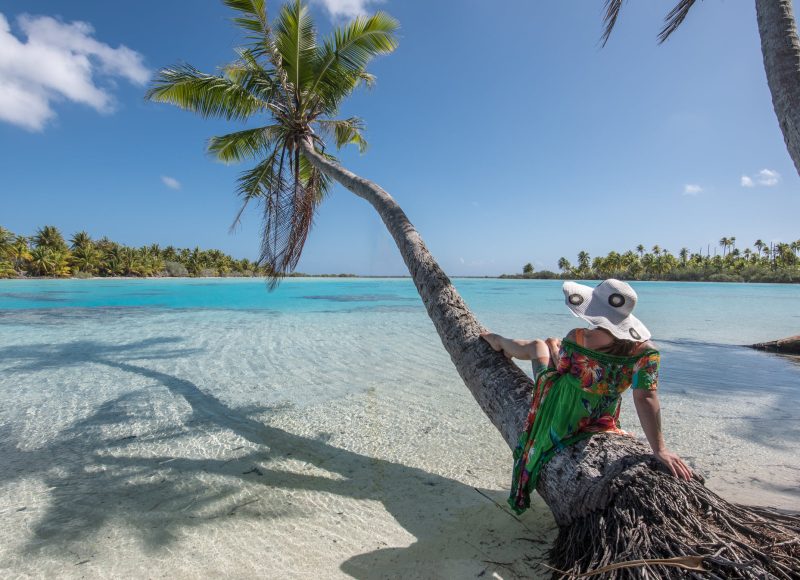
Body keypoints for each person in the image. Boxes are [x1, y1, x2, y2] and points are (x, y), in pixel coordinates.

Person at [481, 279, 692, 514]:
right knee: (549, 344)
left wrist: (555, 347)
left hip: (560, 408)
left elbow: (561, 373)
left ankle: (498, 341)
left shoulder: (578, 337)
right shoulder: (647, 351)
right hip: (601, 415)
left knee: (538, 347)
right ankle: (519, 343)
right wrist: (660, 449)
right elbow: (646, 397)